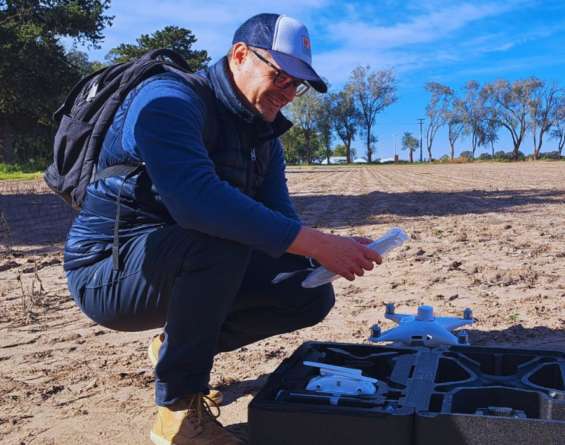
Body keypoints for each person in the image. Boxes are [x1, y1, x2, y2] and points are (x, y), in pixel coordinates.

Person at [63, 13, 382, 445]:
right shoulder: (169, 98)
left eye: (297, 85)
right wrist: (316, 242)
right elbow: (195, 201)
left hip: (178, 263)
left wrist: (327, 251)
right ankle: (176, 413)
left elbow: (281, 224)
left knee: (307, 288)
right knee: (219, 244)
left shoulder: (263, 138)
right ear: (240, 56)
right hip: (106, 271)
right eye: (281, 77)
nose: (288, 94)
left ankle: (174, 350)